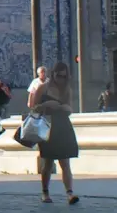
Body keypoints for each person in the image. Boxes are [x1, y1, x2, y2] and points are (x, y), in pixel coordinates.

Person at [30, 61, 80, 204]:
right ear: (53, 75)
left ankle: (70, 193)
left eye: (64, 77)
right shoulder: (43, 88)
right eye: (59, 76)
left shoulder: (67, 89)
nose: (61, 79)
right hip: (47, 126)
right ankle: (45, 192)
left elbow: (71, 109)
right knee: (48, 162)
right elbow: (33, 108)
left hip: (63, 125)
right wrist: (45, 105)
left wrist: (65, 108)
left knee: (65, 162)